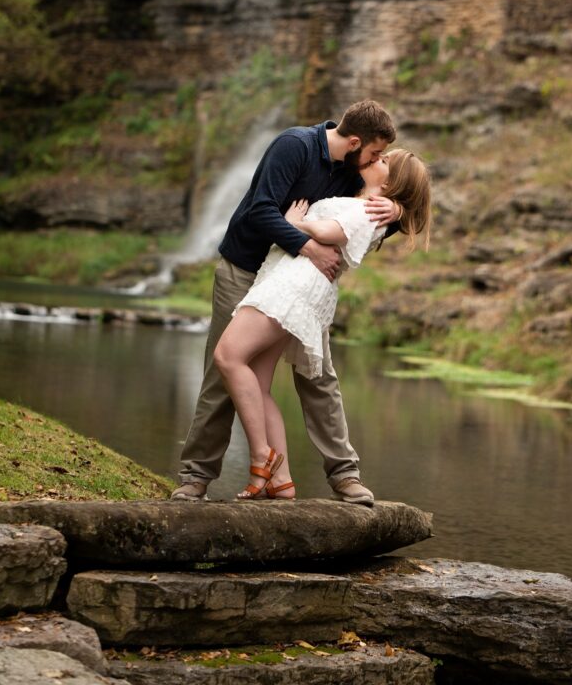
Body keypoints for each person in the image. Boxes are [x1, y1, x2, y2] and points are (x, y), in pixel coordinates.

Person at [170, 100, 401, 505]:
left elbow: (367, 219)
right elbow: (261, 210)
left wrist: (396, 209)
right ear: (354, 141)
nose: (377, 160)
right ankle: (195, 478)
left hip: (296, 283)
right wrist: (309, 245)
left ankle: (345, 476)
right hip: (244, 270)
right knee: (222, 372)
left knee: (318, 376)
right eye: (375, 153)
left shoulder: (353, 170)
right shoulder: (293, 146)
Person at [214, 148, 432, 500]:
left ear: (390, 182)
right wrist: (399, 208)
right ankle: (281, 480)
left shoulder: (369, 209)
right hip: (289, 280)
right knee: (258, 380)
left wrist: (294, 222)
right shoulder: (366, 200)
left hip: (294, 285)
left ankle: (261, 457)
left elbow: (331, 232)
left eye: (382, 161)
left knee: (228, 356)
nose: (373, 159)